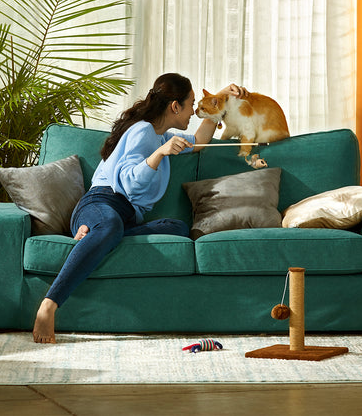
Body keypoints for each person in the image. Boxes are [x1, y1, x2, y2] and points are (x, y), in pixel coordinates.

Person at [33, 73, 246, 343]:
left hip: (125, 217)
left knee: (178, 227)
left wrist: (222, 95)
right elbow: (130, 186)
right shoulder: (142, 132)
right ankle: (49, 305)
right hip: (101, 203)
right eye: (191, 104)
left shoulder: (159, 136)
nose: (193, 111)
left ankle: (97, 238)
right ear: (174, 106)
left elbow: (199, 143)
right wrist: (159, 154)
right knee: (109, 224)